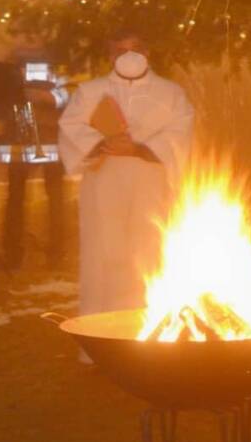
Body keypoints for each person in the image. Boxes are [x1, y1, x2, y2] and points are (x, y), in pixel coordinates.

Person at [57, 27, 194, 317]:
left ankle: (148, 329)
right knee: (103, 250)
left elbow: (181, 131)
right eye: (120, 51)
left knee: (148, 249)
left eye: (135, 49)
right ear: (110, 55)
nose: (128, 56)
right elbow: (70, 128)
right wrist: (101, 142)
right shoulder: (91, 92)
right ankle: (100, 331)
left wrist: (141, 148)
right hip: (104, 178)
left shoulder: (170, 93)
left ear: (147, 53)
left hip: (150, 179)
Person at [0, 46, 69, 269]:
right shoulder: (9, 69)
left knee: (55, 198)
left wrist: (44, 96)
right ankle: (13, 254)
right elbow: (0, 105)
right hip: (20, 142)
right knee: (15, 199)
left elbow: (68, 96)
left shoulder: (56, 66)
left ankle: (57, 252)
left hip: (51, 141)